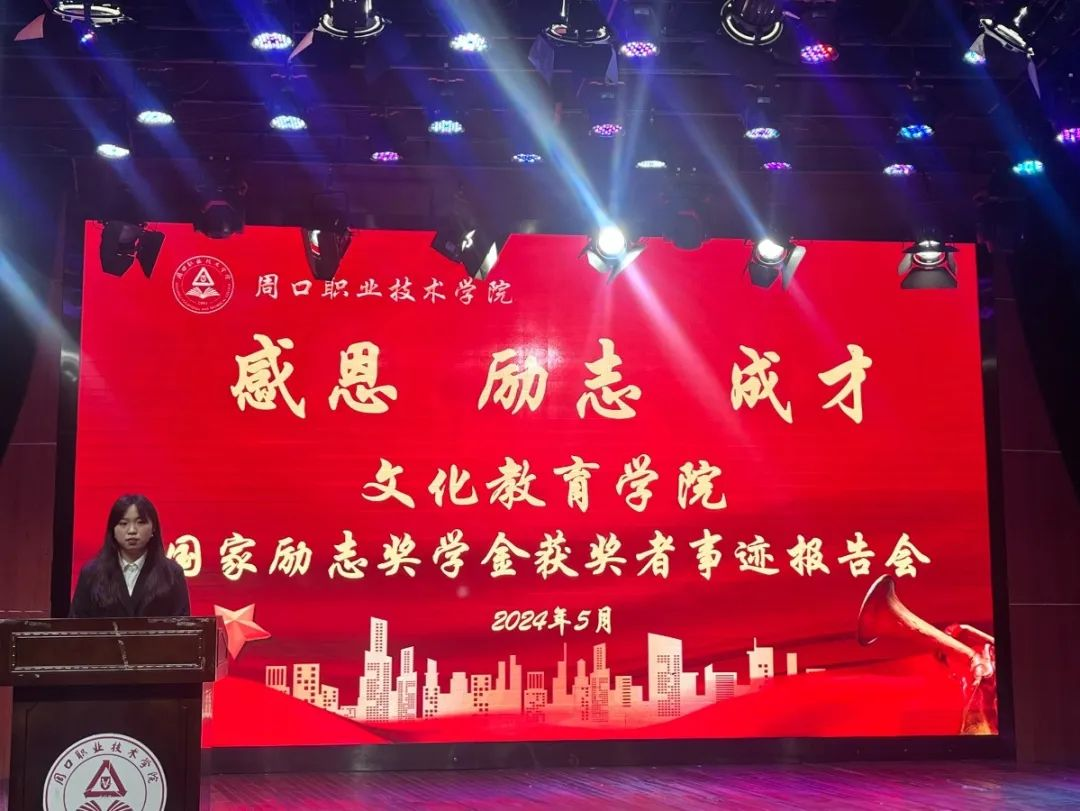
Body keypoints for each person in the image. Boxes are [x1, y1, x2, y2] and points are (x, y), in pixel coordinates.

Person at [69, 493, 191, 618]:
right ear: (113, 530)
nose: (132, 530)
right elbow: (76, 623)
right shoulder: (91, 573)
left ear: (153, 528)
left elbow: (183, 624)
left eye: (140, 522)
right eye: (123, 523)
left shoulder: (172, 573)